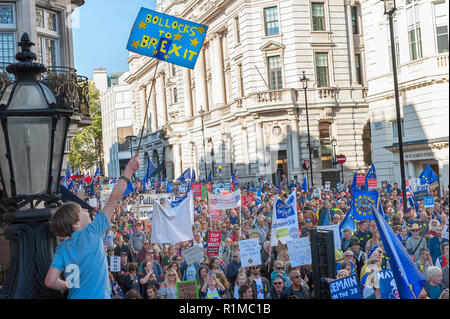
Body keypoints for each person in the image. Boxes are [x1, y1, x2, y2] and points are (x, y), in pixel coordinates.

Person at [44, 155, 140, 298]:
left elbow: (50, 281)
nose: (85, 210)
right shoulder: (92, 232)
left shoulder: (63, 248)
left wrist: (67, 285)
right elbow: (114, 198)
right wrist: (129, 170)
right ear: (76, 223)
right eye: (81, 210)